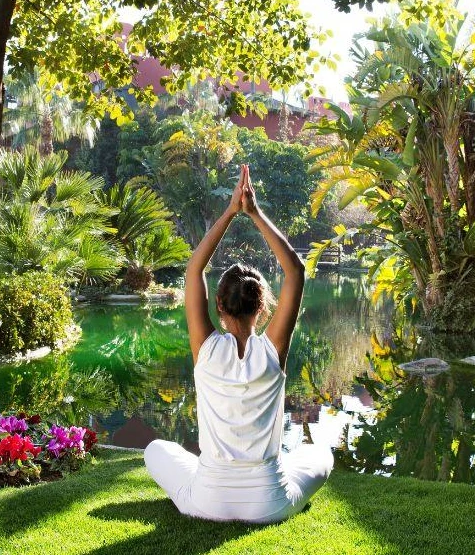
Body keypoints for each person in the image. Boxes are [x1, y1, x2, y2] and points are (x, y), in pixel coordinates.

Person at [143, 165, 334, 524]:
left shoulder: (206, 350)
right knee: (321, 454)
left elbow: (193, 271)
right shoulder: (272, 351)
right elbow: (295, 271)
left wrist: (231, 212)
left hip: (206, 501)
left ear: (218, 305)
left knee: (156, 449)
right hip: (271, 504)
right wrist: (255, 213)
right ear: (262, 306)